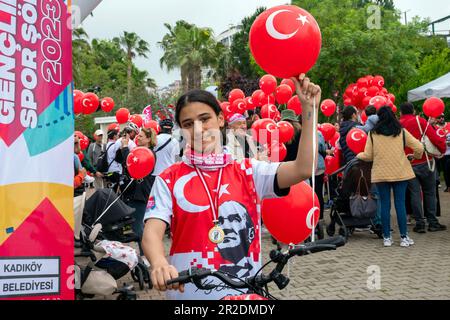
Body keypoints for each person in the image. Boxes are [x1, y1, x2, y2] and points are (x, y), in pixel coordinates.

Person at [142, 74, 321, 300]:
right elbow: (152, 231)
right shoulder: (169, 178)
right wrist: (158, 262)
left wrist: (309, 110)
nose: (198, 129)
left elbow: (304, 168)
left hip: (244, 295)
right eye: (188, 124)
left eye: (204, 119)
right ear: (181, 130)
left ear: (220, 119)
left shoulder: (249, 171)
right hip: (188, 296)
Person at [357, 107, 424, 247]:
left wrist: (359, 155)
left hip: (381, 174)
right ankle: (404, 237)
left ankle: (387, 237)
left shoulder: (373, 134)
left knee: (385, 205)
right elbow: (419, 148)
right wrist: (414, 157)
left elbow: (368, 156)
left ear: (379, 117)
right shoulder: (401, 132)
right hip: (400, 173)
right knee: (400, 204)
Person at [399, 103, 447, 233]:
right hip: (426, 161)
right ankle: (432, 222)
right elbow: (434, 138)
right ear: (413, 110)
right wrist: (442, 150)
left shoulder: (398, 124)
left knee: (414, 194)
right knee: (430, 192)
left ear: (401, 112)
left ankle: (419, 223)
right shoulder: (420, 121)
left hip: (408, 163)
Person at [120, 127, 157, 256]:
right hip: (138, 192)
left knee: (138, 227)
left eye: (141, 136)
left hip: (140, 194)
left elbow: (130, 165)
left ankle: (145, 255)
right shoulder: (142, 151)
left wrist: (125, 148)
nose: (138, 138)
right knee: (140, 225)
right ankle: (146, 254)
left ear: (148, 139)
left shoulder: (147, 154)